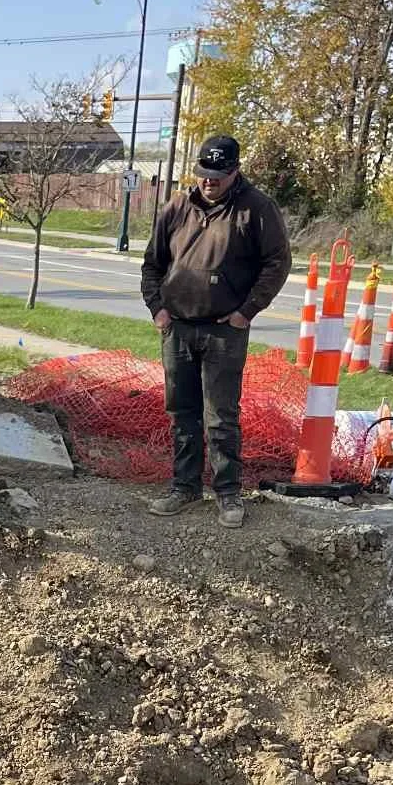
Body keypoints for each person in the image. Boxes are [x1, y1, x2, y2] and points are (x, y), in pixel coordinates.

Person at [140, 134, 292, 530]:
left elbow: (277, 263)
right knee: (181, 411)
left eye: (218, 175)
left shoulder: (255, 209)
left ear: (235, 171)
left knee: (220, 416)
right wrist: (158, 309)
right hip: (177, 328)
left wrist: (246, 312)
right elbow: (152, 264)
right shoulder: (176, 207)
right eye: (204, 173)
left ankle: (227, 492)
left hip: (225, 330)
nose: (209, 182)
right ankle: (184, 486)